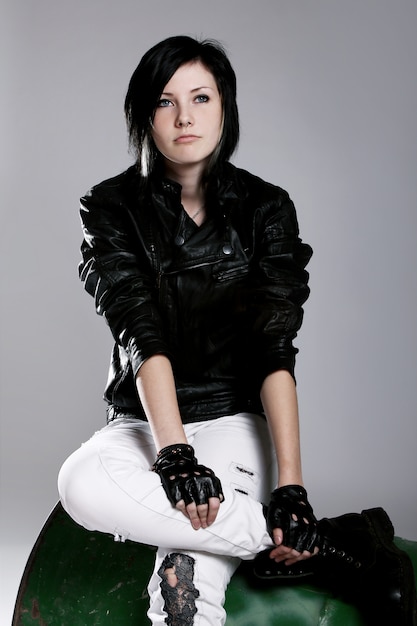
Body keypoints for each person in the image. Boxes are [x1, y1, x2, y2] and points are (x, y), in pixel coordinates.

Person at [58, 36, 416, 626]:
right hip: (148, 422)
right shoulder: (109, 206)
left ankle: (286, 527)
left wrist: (292, 488)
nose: (185, 116)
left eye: (200, 97)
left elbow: (274, 349)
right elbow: (139, 331)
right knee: (79, 483)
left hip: (234, 418)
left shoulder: (267, 208)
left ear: (225, 105)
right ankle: (334, 547)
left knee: (184, 581)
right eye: (166, 102)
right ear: (144, 115)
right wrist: (173, 453)